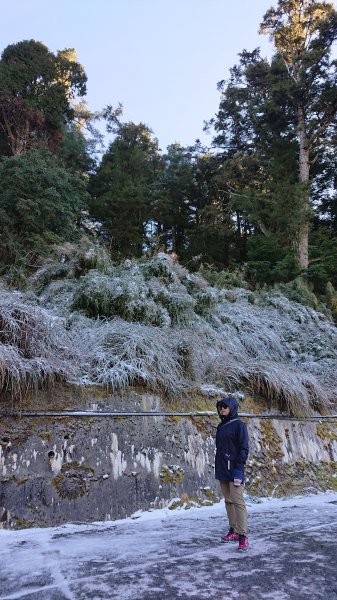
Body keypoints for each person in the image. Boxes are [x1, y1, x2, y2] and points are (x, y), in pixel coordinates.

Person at [215, 396, 249, 551]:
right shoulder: (221, 426)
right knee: (228, 501)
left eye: (225, 406)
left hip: (235, 468)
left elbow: (243, 448)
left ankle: (243, 536)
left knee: (238, 501)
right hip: (222, 468)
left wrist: (239, 469)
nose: (222, 409)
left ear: (232, 408)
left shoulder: (239, 425)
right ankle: (233, 530)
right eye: (221, 407)